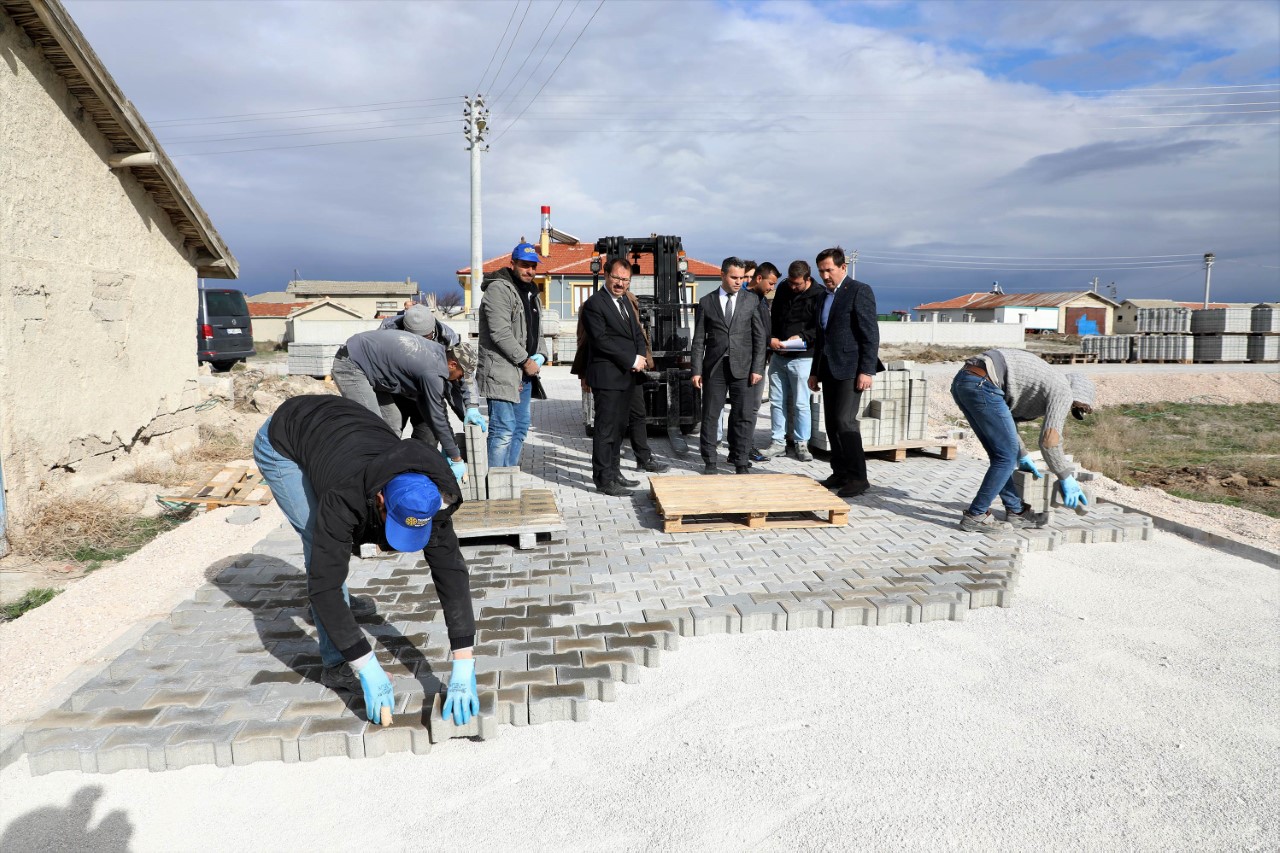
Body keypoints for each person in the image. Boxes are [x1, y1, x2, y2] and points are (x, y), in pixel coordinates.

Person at [253, 395, 479, 727]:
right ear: (380, 498)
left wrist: (464, 661)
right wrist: (365, 664)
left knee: (336, 563)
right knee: (320, 544)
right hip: (285, 439)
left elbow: (451, 573)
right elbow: (324, 585)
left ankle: (341, 620)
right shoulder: (344, 497)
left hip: (341, 432)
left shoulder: (432, 496)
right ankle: (336, 664)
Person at [951, 348, 1096, 532]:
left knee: (1000, 455)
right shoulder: (1063, 391)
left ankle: (1016, 511)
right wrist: (1065, 477)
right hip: (984, 384)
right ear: (1075, 395)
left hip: (965, 380)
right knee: (1005, 458)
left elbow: (1005, 421)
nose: (1070, 409)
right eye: (1074, 406)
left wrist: (1023, 454)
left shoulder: (1046, 381)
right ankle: (976, 515)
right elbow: (1049, 442)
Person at [330, 330, 475, 484]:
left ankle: (384, 471)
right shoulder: (431, 372)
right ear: (452, 365)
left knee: (392, 421)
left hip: (371, 366)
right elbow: (437, 416)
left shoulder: (438, 355)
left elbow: (427, 406)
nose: (459, 380)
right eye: (461, 375)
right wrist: (456, 458)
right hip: (352, 363)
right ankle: (361, 478)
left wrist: (450, 446)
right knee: (373, 428)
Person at [571, 262, 670, 486]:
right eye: (616, 278)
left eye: (625, 280)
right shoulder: (594, 304)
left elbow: (637, 332)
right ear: (606, 275)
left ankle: (614, 473)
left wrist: (640, 356)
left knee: (618, 428)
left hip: (626, 376)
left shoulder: (625, 301)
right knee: (606, 430)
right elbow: (601, 341)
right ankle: (604, 479)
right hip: (607, 377)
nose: (620, 283)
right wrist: (631, 360)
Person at [807, 246, 882, 498]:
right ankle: (839, 472)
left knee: (845, 422)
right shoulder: (822, 297)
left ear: (843, 267)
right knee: (831, 423)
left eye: (829, 270)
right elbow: (821, 338)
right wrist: (815, 372)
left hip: (851, 368)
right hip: (829, 368)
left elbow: (870, 334)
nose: (825, 276)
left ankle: (858, 478)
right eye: (821, 271)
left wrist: (867, 370)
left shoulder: (859, 291)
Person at [477, 242, 549, 468]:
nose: (530, 271)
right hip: (502, 371)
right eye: (525, 265)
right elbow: (500, 333)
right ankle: (495, 481)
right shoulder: (498, 289)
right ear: (513, 263)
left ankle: (508, 477)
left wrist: (542, 354)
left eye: (533, 266)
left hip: (525, 374)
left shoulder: (532, 293)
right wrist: (525, 360)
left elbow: (537, 331)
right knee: (503, 430)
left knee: (520, 427)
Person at [692, 256, 766, 474]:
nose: (738, 281)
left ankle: (741, 461)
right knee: (710, 415)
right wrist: (696, 370)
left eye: (741, 278)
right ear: (722, 275)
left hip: (743, 368)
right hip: (714, 368)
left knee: (743, 415)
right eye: (734, 277)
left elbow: (759, 337)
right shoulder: (706, 302)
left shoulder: (751, 301)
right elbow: (698, 340)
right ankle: (710, 461)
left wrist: (757, 368)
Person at [379, 305, 487, 435]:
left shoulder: (448, 339)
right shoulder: (387, 331)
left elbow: (463, 372)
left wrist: (472, 407)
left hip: (426, 393)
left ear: (433, 330)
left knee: (428, 439)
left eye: (426, 338)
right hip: (394, 392)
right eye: (415, 340)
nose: (421, 344)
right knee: (388, 435)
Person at [756, 260, 824, 462]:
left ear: (808, 279)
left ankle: (802, 443)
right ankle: (778, 442)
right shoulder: (784, 289)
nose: (793, 287)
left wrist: (802, 337)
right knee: (777, 401)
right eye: (790, 282)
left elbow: (820, 327)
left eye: (797, 284)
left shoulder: (820, 295)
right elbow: (774, 317)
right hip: (779, 356)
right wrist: (772, 340)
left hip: (803, 358)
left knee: (801, 403)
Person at [745, 262, 780, 453]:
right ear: (759, 278)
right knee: (748, 407)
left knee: (753, 407)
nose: (772, 288)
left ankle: (744, 445)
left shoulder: (762, 300)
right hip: (749, 363)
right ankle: (743, 447)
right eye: (771, 283)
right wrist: (769, 341)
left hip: (760, 360)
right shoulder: (747, 300)